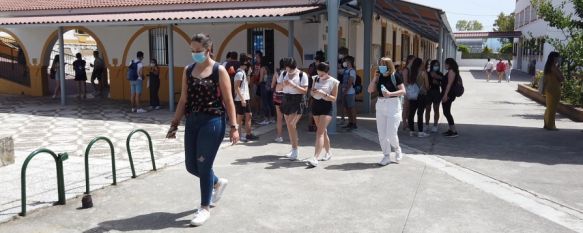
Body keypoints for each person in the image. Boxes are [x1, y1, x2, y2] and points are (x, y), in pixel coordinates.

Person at [167, 33, 239, 227]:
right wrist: (174, 124)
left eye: (198, 51)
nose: (195, 54)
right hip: (192, 121)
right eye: (192, 50)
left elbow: (228, 100)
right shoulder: (188, 70)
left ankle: (204, 208)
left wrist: (234, 126)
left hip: (213, 121)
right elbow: (183, 99)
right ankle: (217, 183)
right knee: (191, 166)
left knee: (204, 165)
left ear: (208, 49)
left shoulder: (219, 70)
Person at [368, 57, 406, 166]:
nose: (381, 66)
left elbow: (403, 91)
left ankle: (397, 148)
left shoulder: (395, 76)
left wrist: (390, 94)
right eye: (380, 64)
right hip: (380, 105)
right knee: (382, 133)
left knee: (391, 133)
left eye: (383, 64)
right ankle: (386, 155)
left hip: (393, 105)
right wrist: (375, 78)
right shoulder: (379, 77)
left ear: (389, 65)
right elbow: (370, 90)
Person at [306, 62, 339, 167]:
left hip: (326, 107)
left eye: (322, 74)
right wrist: (314, 92)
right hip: (316, 105)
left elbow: (334, 99)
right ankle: (328, 153)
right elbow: (311, 92)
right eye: (318, 73)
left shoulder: (333, 82)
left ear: (327, 72)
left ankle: (315, 157)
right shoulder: (315, 78)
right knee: (323, 131)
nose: (320, 76)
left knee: (319, 132)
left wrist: (323, 93)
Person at [280, 57, 309, 160]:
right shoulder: (283, 74)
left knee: (292, 124)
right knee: (289, 125)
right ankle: (293, 148)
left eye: (288, 67)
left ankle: (295, 150)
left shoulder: (302, 75)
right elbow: (277, 88)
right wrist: (284, 84)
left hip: (297, 99)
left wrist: (293, 85)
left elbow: (305, 91)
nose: (287, 69)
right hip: (286, 99)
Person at [234, 59, 259, 142]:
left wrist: (248, 74)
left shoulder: (243, 73)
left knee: (248, 115)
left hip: (244, 97)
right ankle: (239, 135)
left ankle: (248, 134)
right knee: (240, 117)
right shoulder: (239, 73)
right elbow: (236, 87)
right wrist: (242, 99)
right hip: (241, 98)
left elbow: (247, 83)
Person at [406, 58, 430, 137]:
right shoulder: (423, 73)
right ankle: (420, 132)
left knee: (411, 113)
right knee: (420, 113)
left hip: (413, 95)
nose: (423, 64)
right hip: (421, 95)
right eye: (422, 63)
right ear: (420, 64)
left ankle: (411, 131)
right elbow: (427, 86)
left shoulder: (411, 73)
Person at [543, 52, 564, 130]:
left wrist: (558, 66)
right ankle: (551, 125)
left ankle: (547, 123)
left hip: (549, 89)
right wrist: (559, 68)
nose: (559, 59)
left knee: (549, 107)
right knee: (553, 108)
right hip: (554, 89)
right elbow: (561, 78)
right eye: (558, 57)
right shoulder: (553, 67)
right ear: (554, 58)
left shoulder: (548, 66)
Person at [442, 58, 461, 138]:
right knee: (446, 112)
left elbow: (449, 84)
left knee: (447, 112)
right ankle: (451, 129)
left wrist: (445, 95)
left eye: (445, 63)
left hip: (449, 94)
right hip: (449, 94)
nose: (444, 65)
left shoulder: (451, 71)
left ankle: (454, 131)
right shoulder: (453, 71)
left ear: (449, 64)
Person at [306, 51, 325, 132]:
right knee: (320, 109)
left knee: (311, 108)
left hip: (311, 89)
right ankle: (317, 126)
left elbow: (308, 75)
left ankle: (311, 126)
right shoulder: (324, 67)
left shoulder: (311, 66)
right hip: (320, 90)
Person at [425, 60, 443, 133]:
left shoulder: (440, 74)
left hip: (436, 93)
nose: (436, 66)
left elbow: (444, 84)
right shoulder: (427, 73)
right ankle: (426, 125)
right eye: (435, 65)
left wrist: (438, 83)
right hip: (428, 93)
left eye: (437, 65)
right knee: (427, 109)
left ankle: (435, 125)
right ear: (432, 65)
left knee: (436, 109)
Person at [341, 56, 358, 130]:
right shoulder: (345, 70)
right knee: (347, 108)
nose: (344, 62)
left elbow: (350, 82)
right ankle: (350, 122)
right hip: (345, 92)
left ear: (349, 62)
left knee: (351, 108)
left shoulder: (352, 71)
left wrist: (346, 91)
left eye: (346, 61)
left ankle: (354, 123)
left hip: (350, 92)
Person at [271, 59, 286, 143]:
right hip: (288, 96)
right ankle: (293, 136)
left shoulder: (277, 73)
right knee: (289, 117)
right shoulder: (289, 73)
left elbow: (272, 85)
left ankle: (279, 136)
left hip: (278, 97)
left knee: (279, 118)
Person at [400, 55, 416, 130]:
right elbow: (405, 82)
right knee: (405, 108)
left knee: (409, 108)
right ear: (409, 60)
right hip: (406, 91)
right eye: (413, 60)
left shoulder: (410, 69)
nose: (414, 62)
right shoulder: (406, 69)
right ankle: (404, 123)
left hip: (409, 90)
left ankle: (407, 122)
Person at [258, 61, 275, 125]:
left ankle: (266, 118)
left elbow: (261, 79)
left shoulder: (262, 68)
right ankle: (272, 118)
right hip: (270, 87)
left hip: (264, 86)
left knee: (265, 102)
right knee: (270, 102)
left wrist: (258, 82)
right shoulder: (270, 69)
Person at [337, 47, 349, 125]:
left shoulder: (347, 61)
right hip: (340, 82)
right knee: (341, 101)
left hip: (344, 83)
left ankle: (343, 118)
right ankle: (342, 117)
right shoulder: (340, 60)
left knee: (343, 101)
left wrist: (339, 69)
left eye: (341, 53)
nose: (340, 55)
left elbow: (346, 70)